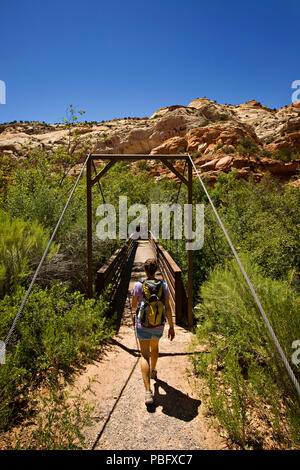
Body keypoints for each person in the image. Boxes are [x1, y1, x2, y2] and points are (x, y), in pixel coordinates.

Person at [131, 258, 175, 405]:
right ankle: (153, 370)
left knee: (144, 355)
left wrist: (140, 313)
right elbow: (168, 307)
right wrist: (171, 326)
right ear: (156, 270)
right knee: (154, 347)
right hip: (158, 324)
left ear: (144, 270)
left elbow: (133, 306)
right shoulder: (164, 285)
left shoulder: (138, 285)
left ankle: (148, 393)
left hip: (142, 325)